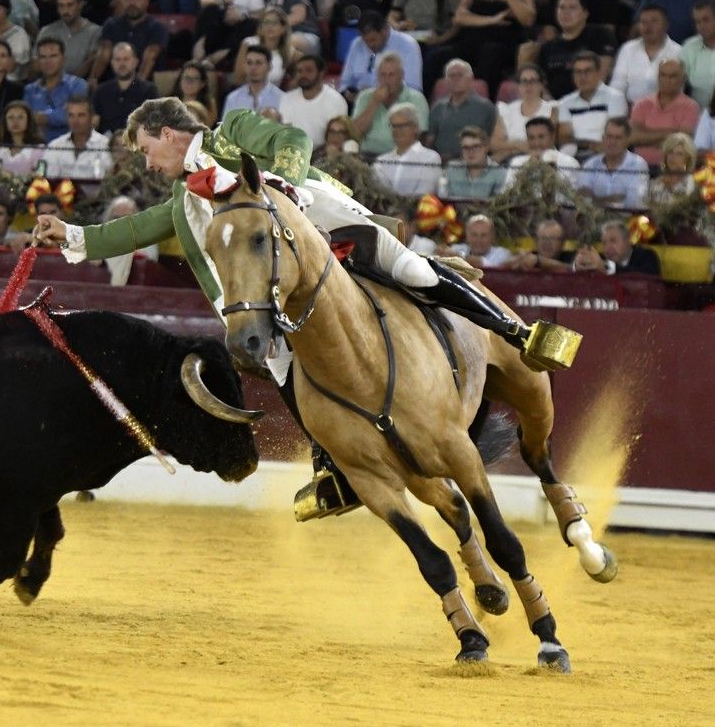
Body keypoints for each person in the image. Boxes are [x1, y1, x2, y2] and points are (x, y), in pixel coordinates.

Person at [33, 97, 551, 509]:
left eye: (147, 149)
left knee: (412, 270)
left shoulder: (231, 131)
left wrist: (282, 190)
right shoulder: (184, 199)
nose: (147, 162)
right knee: (280, 360)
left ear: (168, 134)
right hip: (271, 285)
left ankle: (516, 334)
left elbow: (293, 139)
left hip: (318, 230)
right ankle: (333, 465)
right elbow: (133, 228)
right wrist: (72, 234)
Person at [446, 0, 534, 100]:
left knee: (490, 53)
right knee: (440, 55)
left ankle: (484, 102)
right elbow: (460, 16)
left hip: (502, 44)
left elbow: (528, 19)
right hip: (471, 41)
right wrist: (492, 20)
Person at [389, 0, 462, 95]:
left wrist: (440, 38)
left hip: (436, 40)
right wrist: (399, 25)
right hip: (409, 36)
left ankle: (419, 96)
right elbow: (392, 16)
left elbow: (457, 24)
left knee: (428, 58)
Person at [89, 0, 169, 87]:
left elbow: (149, 59)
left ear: (146, 0)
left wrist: (133, 90)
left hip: (146, 88)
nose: (131, 3)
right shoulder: (111, 24)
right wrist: (93, 80)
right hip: (112, 85)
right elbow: (104, 55)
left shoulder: (157, 27)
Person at [536, 0, 615, 99]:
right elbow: (540, 84)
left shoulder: (600, 35)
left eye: (572, 8)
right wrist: (552, 106)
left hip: (592, 100)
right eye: (561, 7)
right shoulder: (547, 48)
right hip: (555, 106)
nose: (565, 13)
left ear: (585, 14)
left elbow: (602, 73)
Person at [350, 50, 429, 155]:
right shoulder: (365, 97)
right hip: (367, 155)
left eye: (391, 75)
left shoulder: (416, 99)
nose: (386, 80)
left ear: (402, 75)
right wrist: (374, 102)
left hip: (402, 155)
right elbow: (355, 133)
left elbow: (419, 136)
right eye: (383, 75)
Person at [628, 58, 700, 167]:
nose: (667, 80)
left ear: (683, 78)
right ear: (658, 77)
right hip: (638, 167)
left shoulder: (691, 107)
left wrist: (646, 137)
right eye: (663, 75)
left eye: (673, 76)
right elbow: (633, 138)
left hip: (673, 169)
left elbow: (682, 142)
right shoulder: (642, 104)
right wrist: (673, 132)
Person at [337, 10, 423, 101]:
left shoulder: (408, 45)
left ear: (385, 30)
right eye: (365, 41)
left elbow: (413, 90)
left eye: (373, 40)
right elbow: (345, 82)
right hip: (359, 103)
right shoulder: (357, 44)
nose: (369, 45)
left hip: (396, 104)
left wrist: (378, 97)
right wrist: (347, 93)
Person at [558, 50, 627, 160]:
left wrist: (588, 144)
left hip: (606, 153)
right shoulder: (565, 102)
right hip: (574, 154)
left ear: (599, 73)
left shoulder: (615, 97)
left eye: (587, 71)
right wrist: (590, 145)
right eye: (578, 72)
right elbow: (564, 137)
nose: (582, 77)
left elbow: (615, 133)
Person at [610, 5, 682, 104]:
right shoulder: (627, 49)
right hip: (629, 110)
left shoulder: (678, 52)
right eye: (643, 22)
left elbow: (677, 91)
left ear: (666, 25)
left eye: (654, 21)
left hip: (664, 111)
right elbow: (617, 86)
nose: (648, 27)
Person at [425, 58, 496, 159]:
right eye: (451, 76)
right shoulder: (437, 107)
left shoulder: (486, 107)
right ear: (446, 80)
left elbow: (491, 141)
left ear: (471, 78)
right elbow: (430, 141)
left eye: (460, 75)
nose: (455, 79)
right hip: (441, 163)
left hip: (473, 163)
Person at [489, 62, 557, 162]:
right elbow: (494, 144)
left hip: (541, 159)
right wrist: (520, 146)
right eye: (524, 81)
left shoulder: (552, 108)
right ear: (518, 85)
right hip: (508, 160)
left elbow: (548, 142)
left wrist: (509, 146)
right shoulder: (506, 109)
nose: (528, 85)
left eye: (533, 81)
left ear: (542, 84)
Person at [576, 117, 649, 209]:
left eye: (618, 138)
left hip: (626, 220)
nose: (612, 142)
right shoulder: (590, 164)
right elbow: (582, 199)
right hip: (594, 219)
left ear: (627, 140)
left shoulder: (638, 164)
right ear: (603, 138)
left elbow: (634, 202)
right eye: (609, 137)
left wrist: (596, 199)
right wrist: (614, 198)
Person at [26, 37, 90, 141]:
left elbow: (74, 116)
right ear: (38, 61)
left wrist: (45, 118)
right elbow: (26, 119)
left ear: (63, 59)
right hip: (35, 148)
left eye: (53, 56)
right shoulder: (30, 90)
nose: (48, 61)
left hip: (68, 146)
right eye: (43, 57)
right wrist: (58, 114)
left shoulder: (78, 85)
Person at [373, 102, 443, 196]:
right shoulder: (382, 161)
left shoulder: (430, 158)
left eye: (403, 126)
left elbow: (425, 193)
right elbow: (378, 192)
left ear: (415, 127)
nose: (397, 130)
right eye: (394, 126)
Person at [279, 55, 349, 147]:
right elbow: (285, 132)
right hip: (294, 153)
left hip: (325, 154)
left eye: (308, 70)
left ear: (321, 73)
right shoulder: (287, 98)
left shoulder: (336, 100)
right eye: (299, 71)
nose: (303, 75)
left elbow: (338, 137)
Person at [36, 0, 102, 79]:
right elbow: (36, 63)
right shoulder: (47, 31)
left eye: (70, 5)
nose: (65, 11)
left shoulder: (95, 32)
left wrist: (68, 85)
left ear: (80, 5)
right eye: (61, 6)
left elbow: (90, 63)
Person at [40, 95, 112, 178]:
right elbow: (42, 176)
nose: (75, 121)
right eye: (71, 115)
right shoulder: (55, 145)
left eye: (81, 115)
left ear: (91, 118)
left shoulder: (105, 145)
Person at [504, 116, 580, 188]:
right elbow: (507, 192)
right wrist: (528, 166)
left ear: (552, 136)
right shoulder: (518, 162)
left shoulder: (569, 163)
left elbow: (573, 196)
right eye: (531, 138)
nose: (536, 143)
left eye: (541, 137)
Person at [230, 7, 296, 87]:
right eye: (266, 22)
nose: (269, 26)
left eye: (274, 23)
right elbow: (238, 79)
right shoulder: (249, 43)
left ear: (283, 28)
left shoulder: (289, 51)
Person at [100, 195, 158, 285]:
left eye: (126, 218)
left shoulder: (147, 238)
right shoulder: (102, 238)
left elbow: (149, 264)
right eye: (116, 218)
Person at [573, 219, 661, 275]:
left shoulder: (647, 256)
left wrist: (606, 267)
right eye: (604, 243)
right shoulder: (600, 259)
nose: (608, 248)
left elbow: (644, 279)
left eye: (613, 241)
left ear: (628, 241)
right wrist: (578, 265)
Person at [441, 125, 505, 199]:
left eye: (475, 147)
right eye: (466, 148)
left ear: (486, 148)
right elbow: (445, 199)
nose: (471, 152)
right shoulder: (452, 169)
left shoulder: (499, 173)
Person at [222, 45, 285, 119]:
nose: (253, 68)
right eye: (249, 63)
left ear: (269, 67)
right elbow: (225, 128)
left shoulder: (282, 98)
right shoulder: (233, 98)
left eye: (258, 63)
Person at [0, 100, 46, 175]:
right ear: (5, 121)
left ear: (29, 121)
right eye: (11, 117)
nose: (15, 121)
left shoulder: (39, 149)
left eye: (20, 117)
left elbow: (41, 175)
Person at [681, 0, 715, 111]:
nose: (701, 26)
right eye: (697, 21)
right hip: (699, 117)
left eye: (706, 20)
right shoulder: (689, 47)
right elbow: (678, 82)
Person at [447, 213, 512, 268]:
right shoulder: (456, 249)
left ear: (492, 237)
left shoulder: (502, 254)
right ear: (467, 236)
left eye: (483, 235)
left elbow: (479, 262)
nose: (478, 240)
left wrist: (458, 257)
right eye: (474, 235)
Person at [507, 218, 574, 272]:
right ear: (536, 242)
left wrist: (538, 261)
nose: (547, 243)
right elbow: (500, 267)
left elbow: (572, 269)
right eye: (542, 238)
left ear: (562, 244)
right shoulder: (529, 256)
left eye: (552, 239)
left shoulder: (571, 258)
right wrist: (516, 261)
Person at [648, 132, 697, 203]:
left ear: (688, 159)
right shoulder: (654, 185)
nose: (673, 157)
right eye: (670, 152)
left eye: (679, 154)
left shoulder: (694, 185)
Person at [169, 60, 219, 125]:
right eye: (186, 77)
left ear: (202, 83)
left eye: (195, 78)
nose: (189, 82)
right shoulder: (169, 102)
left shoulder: (209, 103)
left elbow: (206, 127)